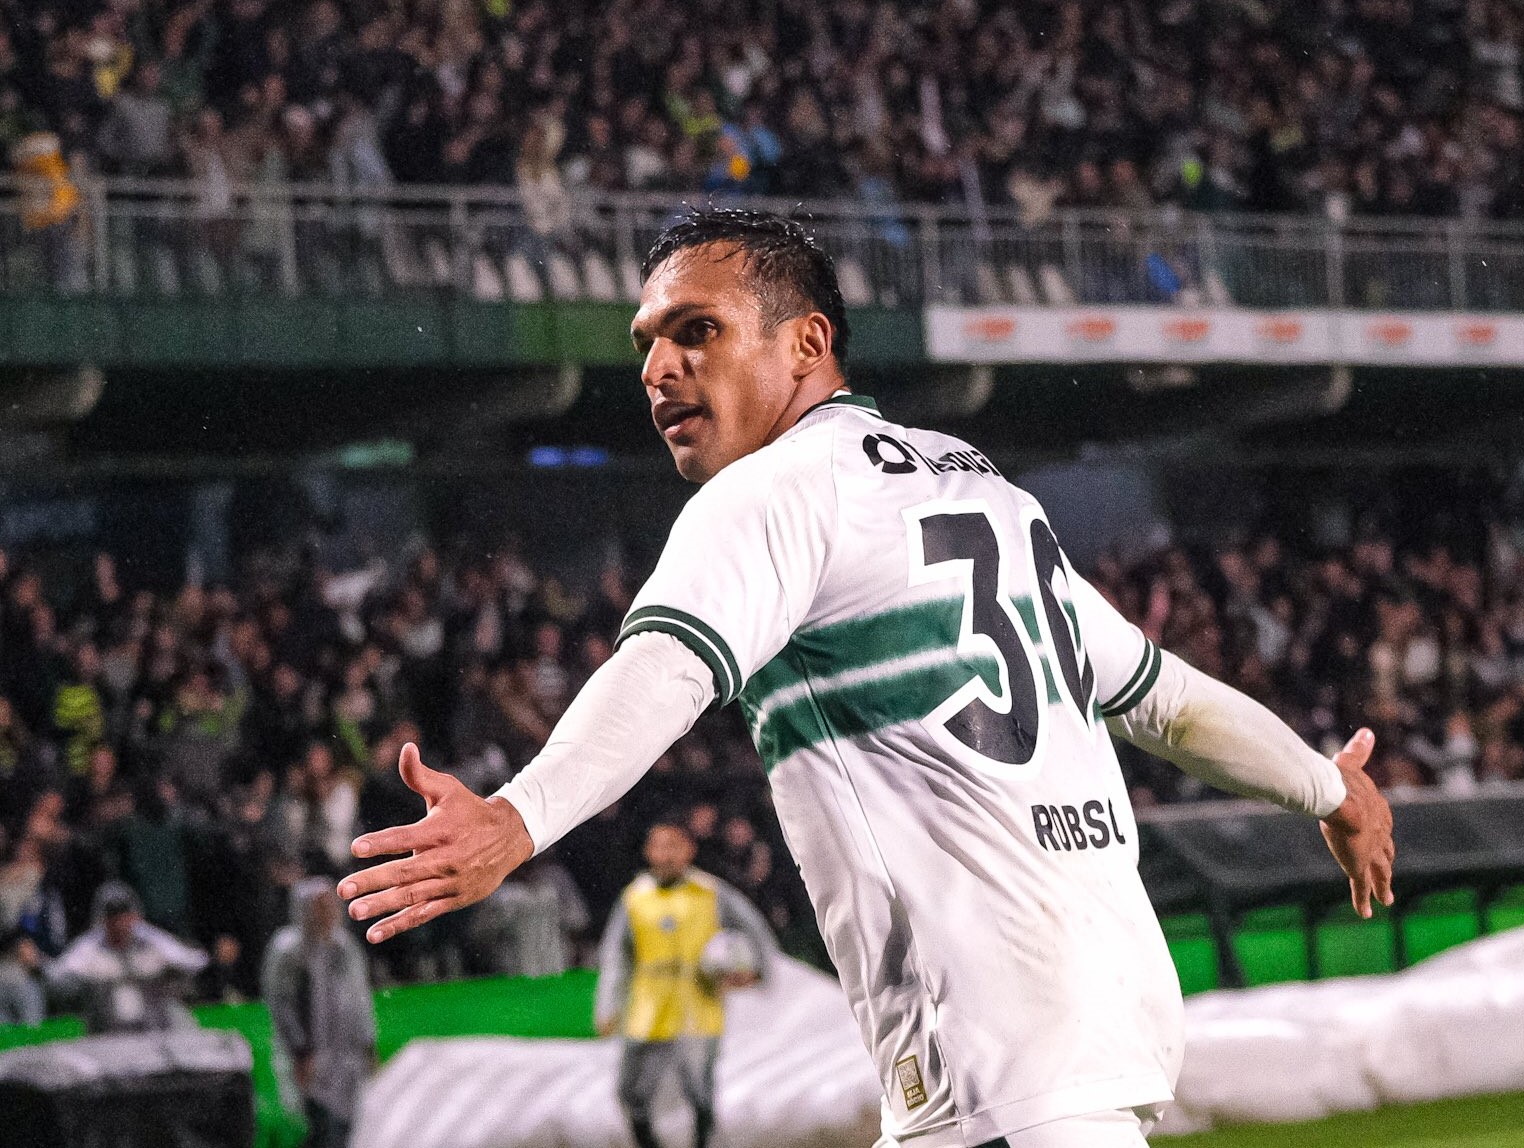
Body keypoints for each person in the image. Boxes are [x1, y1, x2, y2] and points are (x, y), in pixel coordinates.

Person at [339, 210, 1396, 1148]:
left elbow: (661, 667)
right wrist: (1325, 785)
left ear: (806, 343)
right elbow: (1160, 694)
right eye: (646, 343)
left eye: (694, 330)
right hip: (1090, 1023)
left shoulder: (774, 491)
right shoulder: (988, 494)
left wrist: (515, 819)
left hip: (988, 1047)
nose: (657, 368)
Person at [595, 822, 774, 1148]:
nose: (665, 855)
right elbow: (616, 955)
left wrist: (755, 970)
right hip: (649, 1006)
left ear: (689, 849)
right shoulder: (635, 897)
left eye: (673, 846)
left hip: (698, 1003)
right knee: (630, 1091)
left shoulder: (710, 892)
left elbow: (753, 928)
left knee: (699, 1093)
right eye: (658, 846)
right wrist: (608, 1005)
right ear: (648, 851)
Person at [263, 878, 377, 1148]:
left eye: (330, 905)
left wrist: (368, 1045)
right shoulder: (289, 951)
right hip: (311, 1058)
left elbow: (360, 999)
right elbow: (282, 1005)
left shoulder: (343, 947)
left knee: (352, 1127)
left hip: (347, 1056)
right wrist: (301, 1051)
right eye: (319, 906)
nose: (327, 913)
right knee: (318, 1127)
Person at [46, 880, 208, 1034]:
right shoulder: (89, 947)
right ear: (102, 919)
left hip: (154, 1029)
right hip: (107, 1033)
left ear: (135, 916)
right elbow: (58, 976)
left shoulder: (151, 940)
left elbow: (194, 961)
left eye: (124, 915)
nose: (118, 923)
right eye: (112, 916)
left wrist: (166, 974)